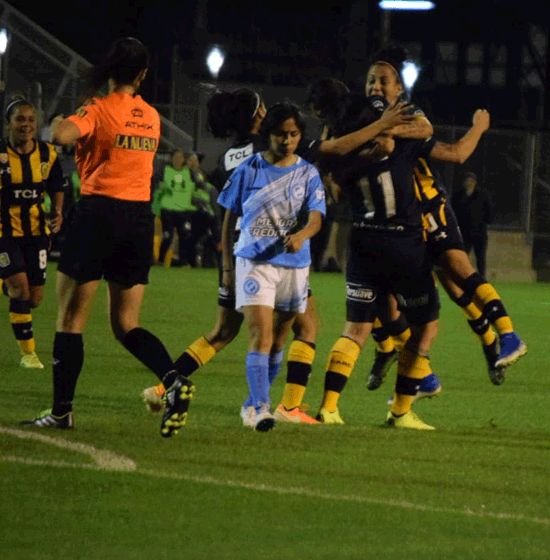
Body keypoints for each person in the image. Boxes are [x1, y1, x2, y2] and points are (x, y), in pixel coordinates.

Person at [138, 87, 412, 424]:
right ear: (259, 117)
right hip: (269, 253)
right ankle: (282, 406)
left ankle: (165, 388)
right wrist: (380, 126)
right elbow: (337, 148)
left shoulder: (232, 155)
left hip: (240, 254)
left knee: (224, 333)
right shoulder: (271, 147)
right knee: (304, 328)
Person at [20, 37, 194, 437]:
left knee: (70, 319)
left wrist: (63, 122)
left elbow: (61, 135)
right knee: (126, 322)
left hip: (99, 213)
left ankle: (62, 413)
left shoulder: (98, 109)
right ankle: (173, 380)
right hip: (138, 219)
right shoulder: (151, 116)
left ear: (109, 70)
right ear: (143, 75)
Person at [363, 45, 527, 391]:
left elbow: (452, 150)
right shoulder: (365, 122)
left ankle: (506, 337)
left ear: (398, 89)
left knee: (458, 275)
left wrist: (479, 127)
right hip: (397, 224)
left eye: (382, 81)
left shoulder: (406, 120)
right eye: (370, 81)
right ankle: (417, 365)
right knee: (426, 294)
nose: (375, 87)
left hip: (427, 212)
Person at [311, 94, 442, 429]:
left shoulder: (345, 159)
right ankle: (400, 411)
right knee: (425, 326)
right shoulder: (403, 146)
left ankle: (328, 408)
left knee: (355, 329)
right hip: (403, 246)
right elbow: (431, 133)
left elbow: (336, 165)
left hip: (363, 244)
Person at [218, 101, 326, 431]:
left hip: (294, 266)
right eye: (281, 134)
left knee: (279, 340)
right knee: (260, 336)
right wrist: (226, 267)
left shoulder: (308, 173)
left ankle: (251, 405)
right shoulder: (248, 170)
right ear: (269, 135)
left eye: (293, 134)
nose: (287, 140)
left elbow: (317, 218)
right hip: (254, 262)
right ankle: (263, 408)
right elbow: (227, 220)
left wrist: (302, 235)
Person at [0, 96, 65, 369]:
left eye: (30, 120)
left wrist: (57, 212)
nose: (26, 125)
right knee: (21, 290)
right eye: (20, 120)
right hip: (4, 233)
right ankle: (29, 355)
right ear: (8, 124)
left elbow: (57, 185)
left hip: (37, 232)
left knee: (35, 299)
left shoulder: (47, 154)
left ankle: (6, 281)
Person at [155, 149, 198, 267]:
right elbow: (157, 184)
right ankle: (161, 260)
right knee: (168, 236)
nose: (178, 160)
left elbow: (197, 184)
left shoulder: (188, 172)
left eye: (180, 157)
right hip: (168, 208)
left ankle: (183, 262)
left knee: (184, 236)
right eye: (176, 157)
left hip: (184, 209)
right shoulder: (165, 170)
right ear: (172, 159)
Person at [451, 171, 492, 278]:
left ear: (474, 182)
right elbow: (453, 212)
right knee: (462, 256)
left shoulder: (482, 196)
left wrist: (484, 223)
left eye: (470, 180)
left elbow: (489, 213)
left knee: (480, 257)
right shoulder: (458, 196)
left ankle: (482, 278)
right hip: (464, 233)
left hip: (479, 233)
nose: (468, 182)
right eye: (467, 180)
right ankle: (461, 276)